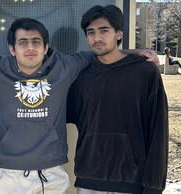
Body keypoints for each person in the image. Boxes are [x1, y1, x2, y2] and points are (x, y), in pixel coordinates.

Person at [0, 17, 159, 194]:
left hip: (52, 174)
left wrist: (135, 52)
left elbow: (101, 52)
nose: (30, 47)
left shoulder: (66, 65)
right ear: (12, 49)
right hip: (6, 177)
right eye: (23, 42)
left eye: (36, 42)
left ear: (46, 47)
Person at [67, 5, 169, 194]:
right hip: (88, 180)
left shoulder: (144, 72)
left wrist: (154, 186)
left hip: (131, 181)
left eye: (104, 31)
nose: (97, 38)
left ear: (119, 34)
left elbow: (158, 130)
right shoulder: (80, 76)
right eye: (91, 32)